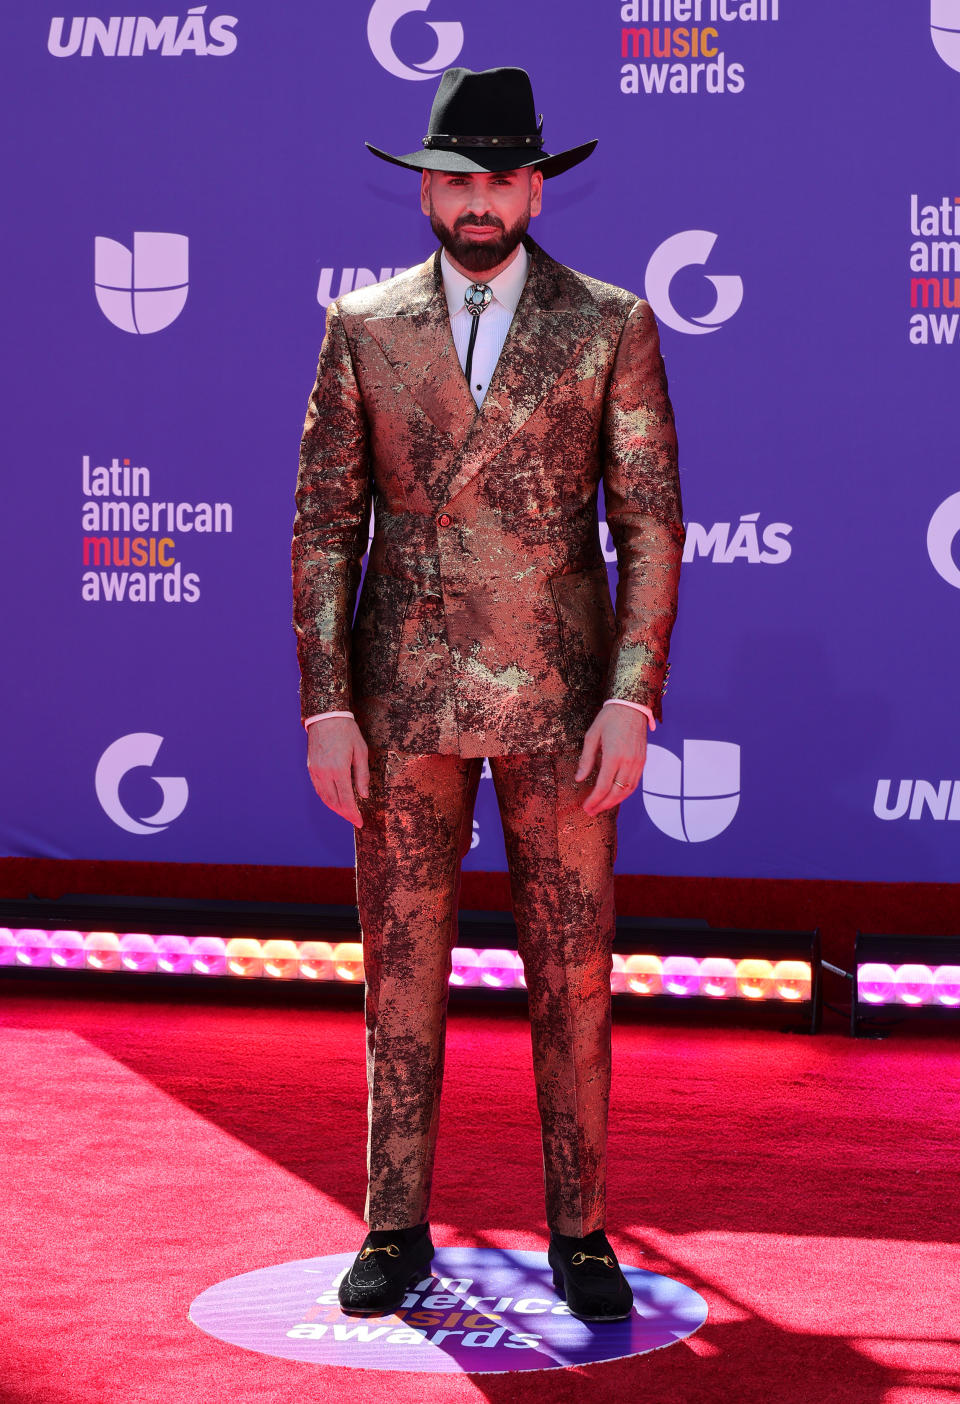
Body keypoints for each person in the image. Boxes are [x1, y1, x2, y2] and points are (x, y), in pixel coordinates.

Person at [292, 65, 683, 1323]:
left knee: (573, 969)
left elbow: (653, 523)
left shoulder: (609, 323)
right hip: (399, 696)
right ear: (425, 190)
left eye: (499, 178)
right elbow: (320, 529)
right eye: (455, 179)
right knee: (398, 965)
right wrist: (325, 703)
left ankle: (581, 1232)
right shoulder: (363, 327)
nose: (476, 201)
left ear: (534, 187)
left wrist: (634, 693)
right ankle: (394, 1225)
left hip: (564, 704)